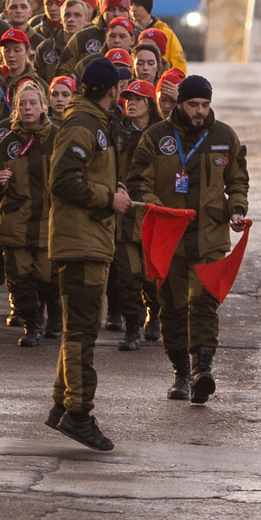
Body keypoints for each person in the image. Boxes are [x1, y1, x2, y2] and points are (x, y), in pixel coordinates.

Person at [129, 74, 249, 404]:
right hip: (170, 240)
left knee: (205, 303)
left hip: (210, 237)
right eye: (193, 104)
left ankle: (202, 370)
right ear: (180, 104)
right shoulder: (157, 137)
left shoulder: (225, 136)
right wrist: (160, 211)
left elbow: (238, 181)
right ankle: (181, 372)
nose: (200, 111)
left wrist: (237, 209)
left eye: (205, 105)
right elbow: (138, 183)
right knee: (172, 308)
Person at [45, 59, 131, 451]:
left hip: (89, 237)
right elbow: (62, 180)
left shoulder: (95, 121)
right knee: (82, 331)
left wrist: (113, 190)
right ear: (112, 91)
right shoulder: (83, 124)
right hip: (81, 241)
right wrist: (107, 199)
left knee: (78, 328)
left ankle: (63, 405)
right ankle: (79, 414)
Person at [0, 80, 58, 346]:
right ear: (16, 109)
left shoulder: (58, 137)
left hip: (50, 222)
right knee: (19, 279)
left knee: (48, 278)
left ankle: (55, 311)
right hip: (16, 221)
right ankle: (31, 324)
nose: (28, 108)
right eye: (22, 104)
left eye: (33, 103)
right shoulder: (7, 142)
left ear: (43, 106)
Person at [106, 78, 157, 351]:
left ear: (150, 104)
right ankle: (132, 328)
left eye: (138, 99)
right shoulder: (117, 132)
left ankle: (155, 315)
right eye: (128, 99)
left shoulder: (163, 135)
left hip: (151, 214)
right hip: (124, 215)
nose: (131, 104)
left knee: (151, 278)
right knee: (127, 277)